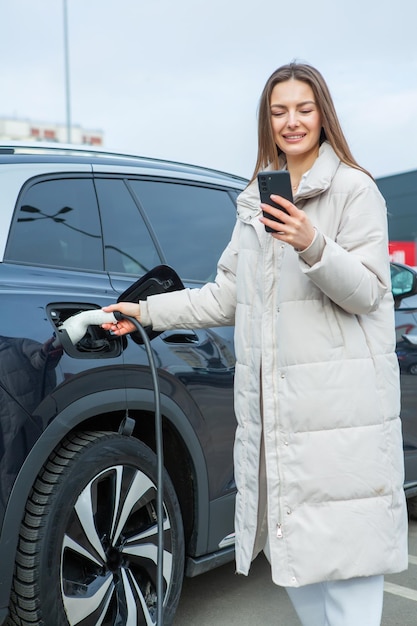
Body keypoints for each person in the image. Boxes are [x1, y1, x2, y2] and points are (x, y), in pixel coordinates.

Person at [102, 62, 408, 625]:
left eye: (304, 109)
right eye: (279, 111)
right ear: (267, 121)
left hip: (342, 415)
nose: (292, 121)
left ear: (323, 116)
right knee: (292, 561)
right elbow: (225, 296)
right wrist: (146, 312)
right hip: (279, 418)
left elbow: (368, 292)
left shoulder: (353, 189)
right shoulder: (254, 200)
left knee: (349, 569)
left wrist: (311, 242)